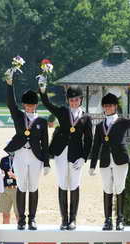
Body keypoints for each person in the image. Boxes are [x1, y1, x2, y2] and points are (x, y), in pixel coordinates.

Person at [40, 83, 93, 231]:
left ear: (81, 100)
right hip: (61, 153)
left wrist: (84, 157)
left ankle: (73, 219)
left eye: (76, 99)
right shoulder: (63, 112)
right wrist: (43, 89)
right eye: (71, 100)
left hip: (77, 155)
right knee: (63, 183)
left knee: (74, 184)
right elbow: (47, 103)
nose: (74, 102)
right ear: (68, 100)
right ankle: (64, 219)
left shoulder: (86, 117)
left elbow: (89, 139)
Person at [4, 67, 50, 230]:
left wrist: (46, 163)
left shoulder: (42, 121)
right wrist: (10, 84)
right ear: (24, 104)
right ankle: (21, 219)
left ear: (36, 105)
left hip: (36, 156)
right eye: (27, 105)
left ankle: (32, 219)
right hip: (21, 154)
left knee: (34, 186)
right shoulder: (19, 116)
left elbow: (45, 142)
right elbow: (10, 103)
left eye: (32, 105)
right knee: (22, 186)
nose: (29, 107)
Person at [89, 92, 130, 231]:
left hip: (120, 158)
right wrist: (92, 164)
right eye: (105, 106)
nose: (108, 108)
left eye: (110, 105)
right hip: (106, 159)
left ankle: (120, 219)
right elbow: (96, 145)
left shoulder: (122, 121)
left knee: (119, 187)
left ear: (115, 106)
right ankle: (107, 220)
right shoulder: (100, 126)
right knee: (107, 188)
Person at [0, 152, 19, 224]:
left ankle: (20, 234)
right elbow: (1, 172)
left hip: (17, 190)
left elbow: (25, 177)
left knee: (18, 215)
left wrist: (15, 176)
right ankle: (5, 233)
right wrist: (1, 176)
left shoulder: (20, 159)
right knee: (5, 215)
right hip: (5, 189)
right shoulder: (3, 160)